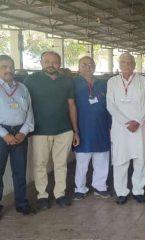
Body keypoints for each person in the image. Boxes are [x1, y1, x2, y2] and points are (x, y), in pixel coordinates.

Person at [25, 51, 79, 210]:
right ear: (41, 62)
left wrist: (75, 130)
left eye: (54, 62)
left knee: (61, 163)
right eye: (46, 61)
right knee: (40, 164)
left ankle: (60, 194)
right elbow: (25, 105)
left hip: (64, 130)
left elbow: (71, 105)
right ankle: (42, 195)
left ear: (59, 64)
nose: (50, 64)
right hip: (40, 130)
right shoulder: (31, 80)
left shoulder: (66, 81)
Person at [106, 53, 145, 205]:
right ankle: (121, 192)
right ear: (119, 64)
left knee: (140, 159)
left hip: (140, 126)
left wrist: (137, 121)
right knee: (120, 160)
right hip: (121, 128)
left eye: (129, 62)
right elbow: (110, 105)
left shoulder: (143, 81)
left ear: (134, 65)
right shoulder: (112, 82)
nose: (126, 64)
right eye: (123, 62)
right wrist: (126, 122)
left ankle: (138, 190)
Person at [73, 56, 112, 200]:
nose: (88, 67)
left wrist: (110, 125)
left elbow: (110, 106)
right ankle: (80, 188)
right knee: (82, 160)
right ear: (79, 67)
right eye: (84, 64)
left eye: (91, 64)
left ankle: (100, 186)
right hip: (82, 127)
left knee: (102, 158)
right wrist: (74, 129)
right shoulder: (73, 83)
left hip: (101, 127)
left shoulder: (102, 84)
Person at [0, 55, 34, 215]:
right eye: (4, 67)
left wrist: (23, 132)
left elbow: (29, 112)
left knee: (20, 171)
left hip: (20, 133)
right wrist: (5, 134)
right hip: (1, 134)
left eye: (11, 67)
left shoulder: (22, 87)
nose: (9, 70)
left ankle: (21, 203)